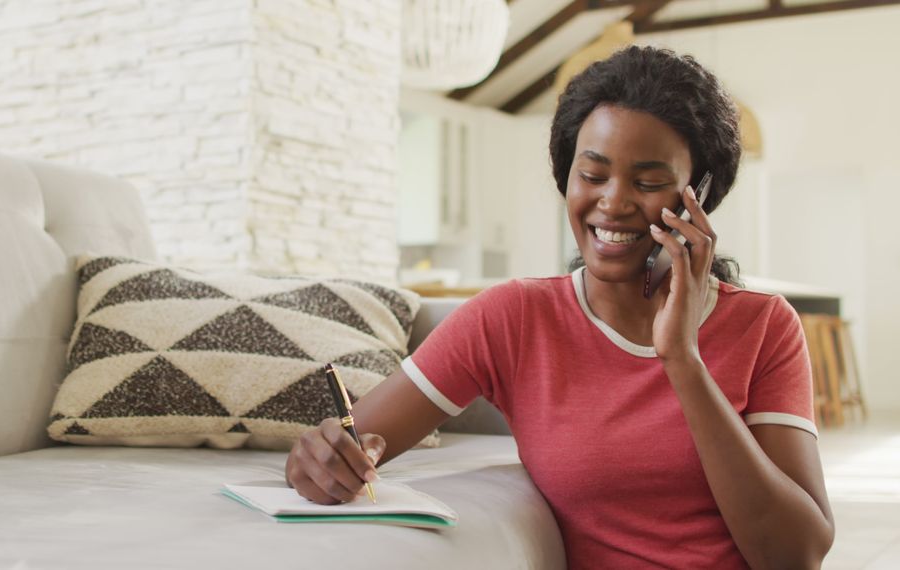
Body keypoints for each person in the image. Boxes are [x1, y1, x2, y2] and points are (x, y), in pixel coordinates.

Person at [284, 46, 834, 568]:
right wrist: (321, 459)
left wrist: (684, 361)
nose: (613, 203)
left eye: (648, 182)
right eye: (592, 175)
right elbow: (352, 444)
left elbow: (795, 555)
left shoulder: (764, 325)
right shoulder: (515, 317)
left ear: (700, 195)